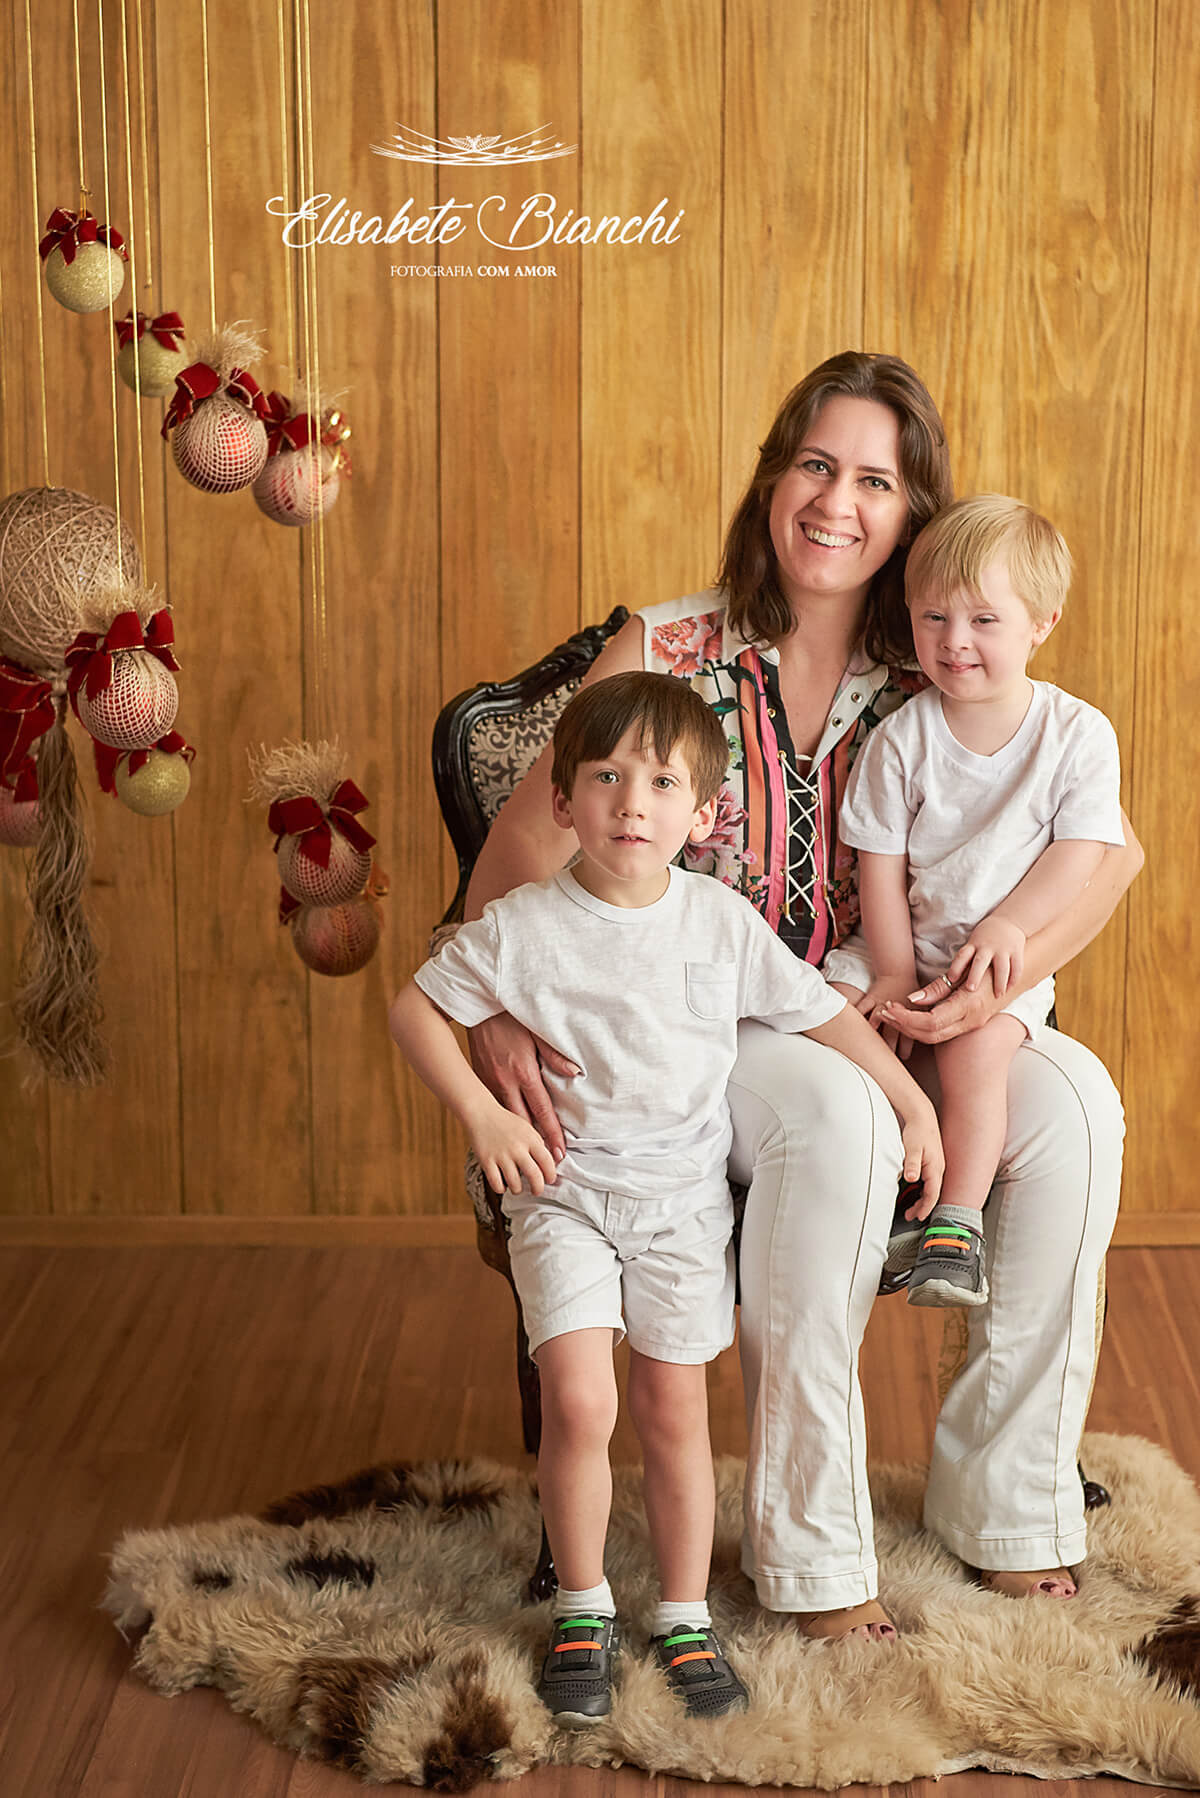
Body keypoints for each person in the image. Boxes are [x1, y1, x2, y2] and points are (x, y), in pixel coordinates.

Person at [463, 350, 1142, 1633]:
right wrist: (497, 1014)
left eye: (876, 480)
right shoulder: (667, 647)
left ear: (913, 512)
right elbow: (512, 868)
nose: (838, 501)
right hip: (707, 1037)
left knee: (1080, 1114)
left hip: (899, 1005)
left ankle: (1004, 1498)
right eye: (816, 465)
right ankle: (811, 1546)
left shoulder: (941, 663)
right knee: (839, 1119)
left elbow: (1114, 852)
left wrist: (1007, 966)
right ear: (776, 480)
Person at [390, 671, 943, 1724]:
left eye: (660, 782)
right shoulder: (524, 926)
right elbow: (416, 1012)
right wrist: (485, 1116)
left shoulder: (719, 923)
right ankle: (584, 1607)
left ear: (702, 814)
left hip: (683, 1209)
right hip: (565, 1197)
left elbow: (819, 1012)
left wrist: (909, 1101)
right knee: (584, 1399)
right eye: (605, 777)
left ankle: (685, 1615)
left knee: (671, 1409)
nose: (631, 802)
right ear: (563, 803)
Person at [824, 494, 1126, 1308]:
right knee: (830, 1022)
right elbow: (878, 867)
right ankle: (878, 1199)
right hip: (901, 942)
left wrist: (1009, 926)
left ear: (1041, 624)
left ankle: (954, 1225)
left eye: (984, 620)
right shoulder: (903, 738)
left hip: (999, 962)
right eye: (934, 619)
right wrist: (888, 973)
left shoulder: (1076, 735)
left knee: (973, 1057)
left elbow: (1085, 852)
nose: (955, 642)